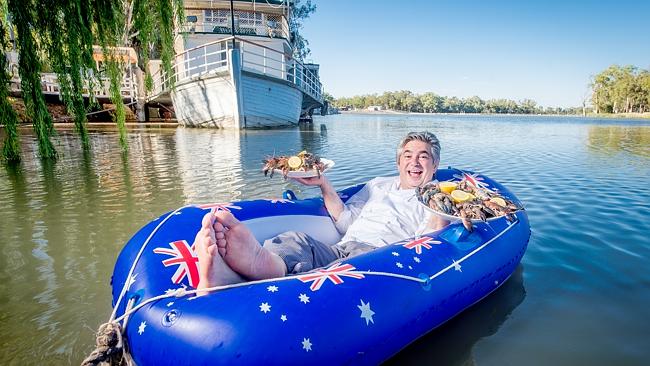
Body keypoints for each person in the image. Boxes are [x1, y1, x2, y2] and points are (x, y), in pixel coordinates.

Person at [195, 131, 448, 294]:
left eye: (423, 157)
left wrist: (439, 205)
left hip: (380, 257)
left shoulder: (437, 198)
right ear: (398, 162)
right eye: (408, 155)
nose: (414, 162)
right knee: (296, 240)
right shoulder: (378, 184)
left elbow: (430, 244)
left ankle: (244, 278)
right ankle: (257, 264)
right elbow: (345, 220)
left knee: (337, 274)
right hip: (344, 245)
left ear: (434, 165)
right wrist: (323, 183)